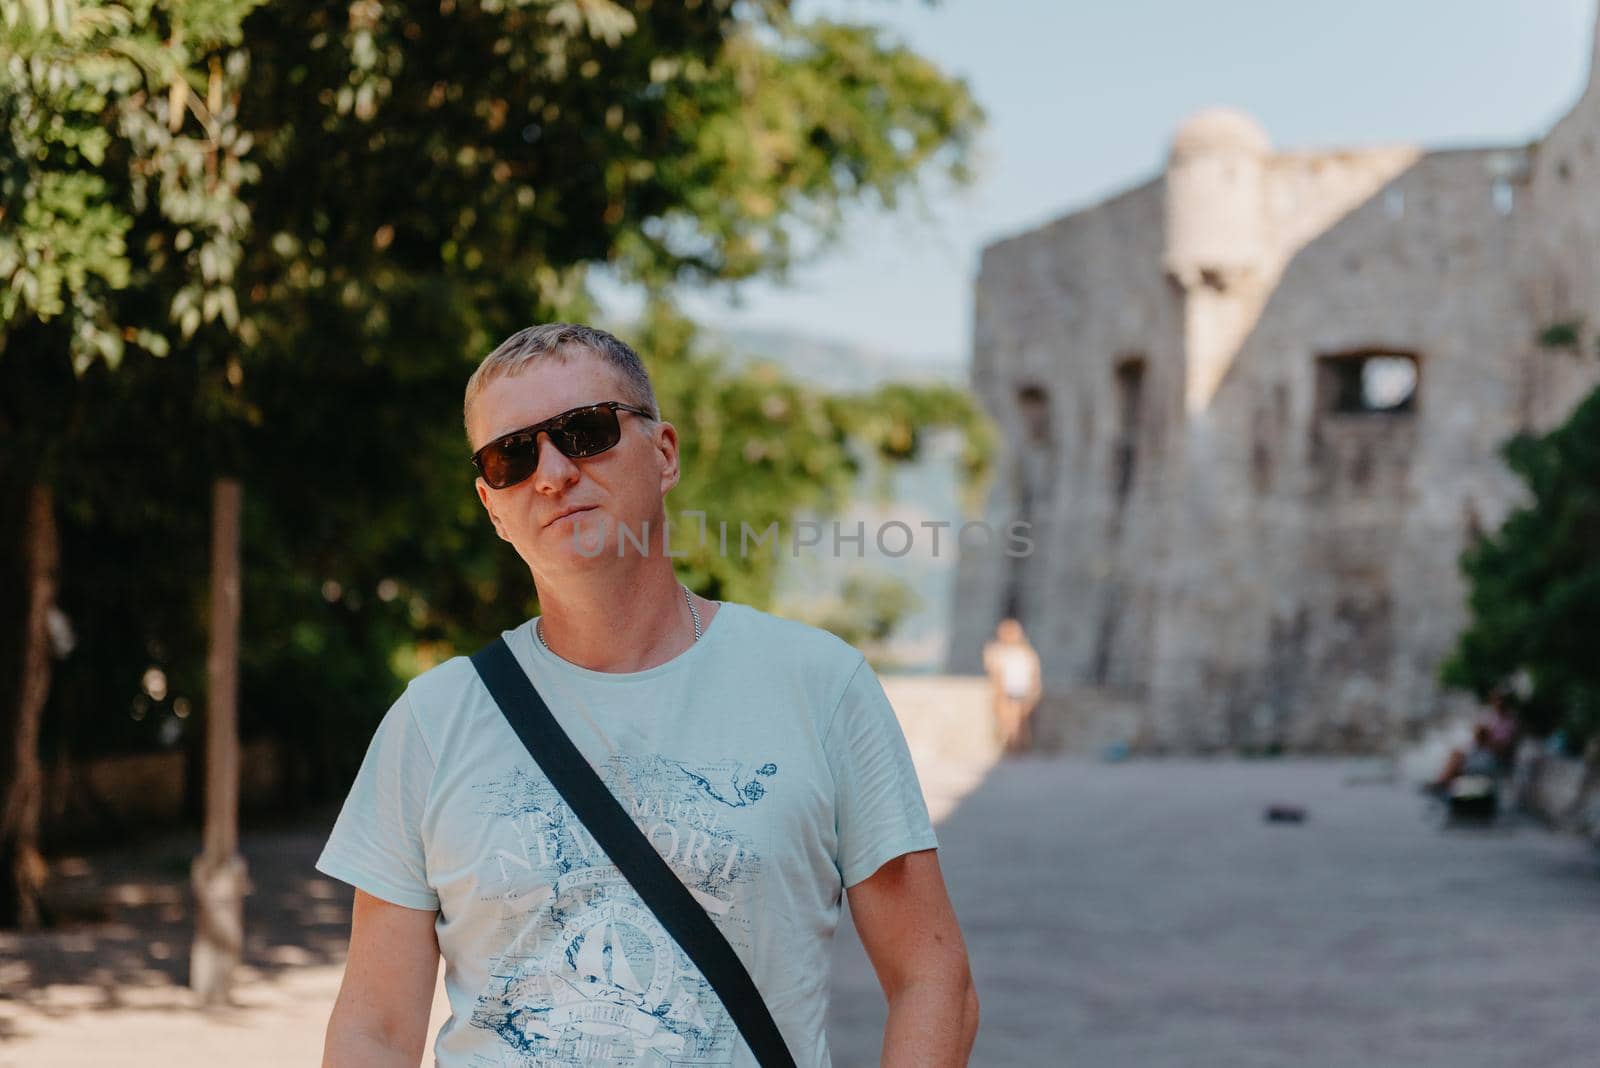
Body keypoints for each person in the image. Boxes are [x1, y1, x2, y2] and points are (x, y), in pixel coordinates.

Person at [315, 323, 979, 1067]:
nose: (553, 472)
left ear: (664, 453)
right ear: (492, 506)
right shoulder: (431, 723)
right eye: (513, 455)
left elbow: (932, 977)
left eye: (586, 432)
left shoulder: (820, 686)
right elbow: (373, 1026)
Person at [981, 619, 1042, 755]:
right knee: (1010, 722)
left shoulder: (1026, 652)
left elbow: (1034, 673)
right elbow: (995, 672)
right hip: (1006, 691)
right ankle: (1012, 748)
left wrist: (1035, 690)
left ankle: (1018, 748)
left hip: (1022, 690)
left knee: (1021, 723)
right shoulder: (997, 651)